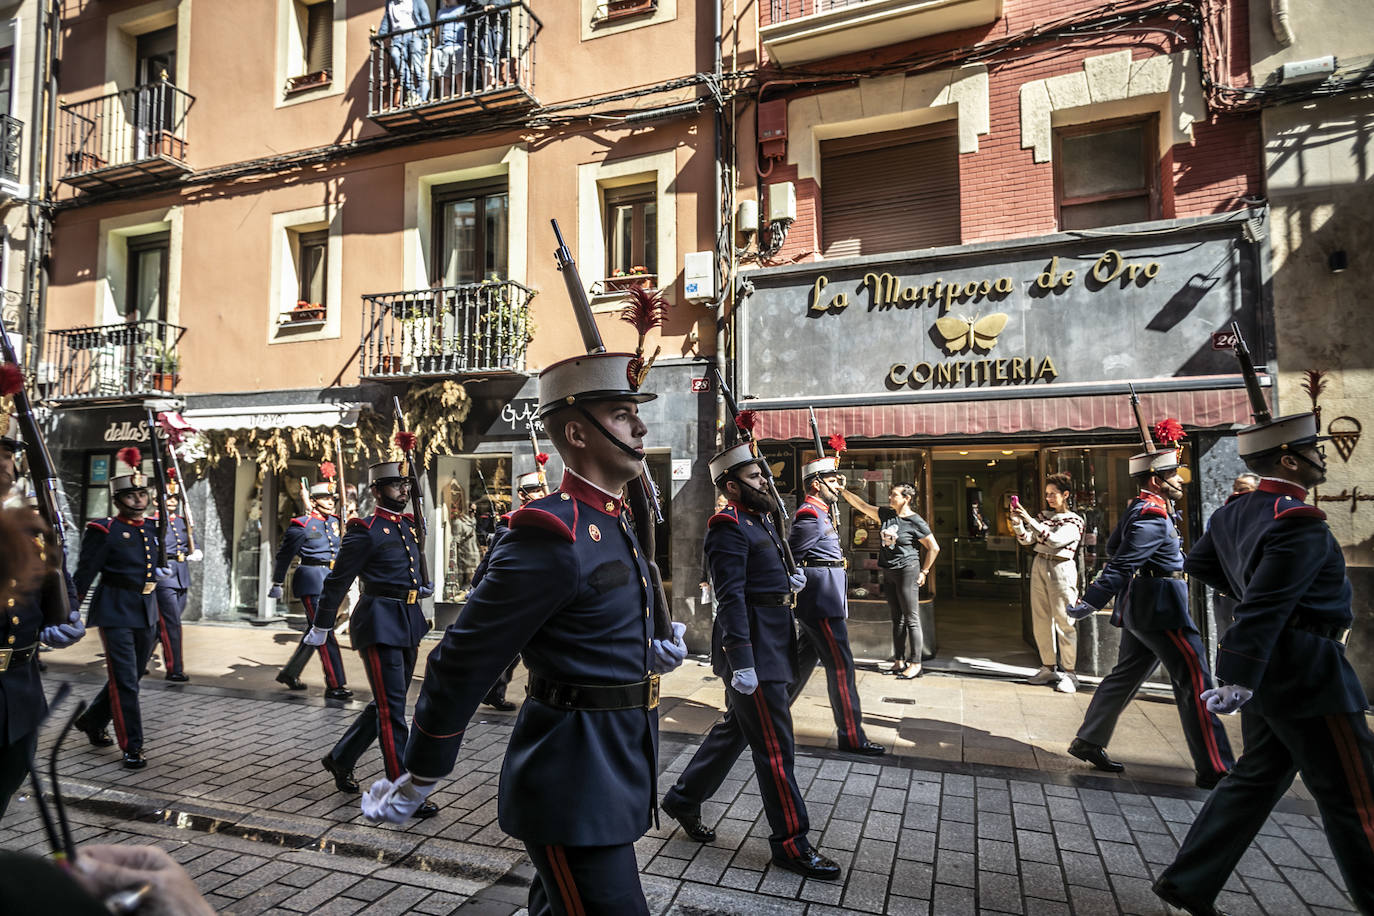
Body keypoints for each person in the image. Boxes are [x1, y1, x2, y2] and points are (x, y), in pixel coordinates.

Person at [360, 350, 688, 915]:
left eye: (636, 411)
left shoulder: (614, 522)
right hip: (572, 780)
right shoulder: (549, 535)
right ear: (576, 435)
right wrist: (422, 771)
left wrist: (645, 654)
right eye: (620, 413)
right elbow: (462, 658)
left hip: (615, 763)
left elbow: (585, 628)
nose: (640, 425)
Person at [1153, 411, 1374, 916]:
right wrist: (1238, 671)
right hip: (1309, 671)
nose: (1322, 458)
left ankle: (1189, 881)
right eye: (1314, 451)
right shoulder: (1298, 522)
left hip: (1272, 670)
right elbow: (1265, 605)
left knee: (1256, 778)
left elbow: (1204, 565)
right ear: (1291, 460)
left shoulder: (1235, 513)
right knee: (1356, 795)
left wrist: (1245, 664)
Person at [661, 443, 842, 881]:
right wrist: (741, 660)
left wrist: (789, 578)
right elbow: (732, 597)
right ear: (731, 486)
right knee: (776, 748)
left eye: (764, 476)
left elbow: (765, 575)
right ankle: (791, 843)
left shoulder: (761, 519)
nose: (767, 482)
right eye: (757, 478)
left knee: (736, 732)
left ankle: (684, 798)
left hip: (774, 640)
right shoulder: (727, 526)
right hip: (754, 651)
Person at [1064, 434, 1234, 789]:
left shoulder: (1140, 509)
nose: (1180, 481)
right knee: (1196, 682)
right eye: (1175, 475)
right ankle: (1216, 767)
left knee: (1124, 675)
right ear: (1157, 479)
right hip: (1161, 608)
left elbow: (1113, 547)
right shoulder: (1152, 516)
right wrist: (1091, 600)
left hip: (1143, 606)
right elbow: (1122, 561)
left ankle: (1089, 740)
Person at [309, 458, 432, 806]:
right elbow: (338, 580)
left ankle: (341, 758)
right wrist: (322, 623)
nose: (404, 490)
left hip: (407, 620)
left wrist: (421, 584)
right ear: (377, 490)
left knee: (385, 703)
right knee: (393, 712)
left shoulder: (408, 525)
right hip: (379, 623)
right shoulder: (364, 529)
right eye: (396, 485)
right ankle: (404, 792)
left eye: (406, 484)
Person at [0, 420, 83, 819]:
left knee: (11, 775)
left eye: (8, 458)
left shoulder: (33, 530)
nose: (3, 466)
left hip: (21, 687)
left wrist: (63, 620)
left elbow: (58, 584)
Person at [73, 449, 165, 770]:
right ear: (118, 500)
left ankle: (92, 720)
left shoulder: (155, 527)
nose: (139, 500)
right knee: (125, 680)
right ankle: (133, 746)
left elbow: (158, 562)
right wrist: (72, 610)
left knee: (131, 675)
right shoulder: (104, 530)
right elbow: (84, 573)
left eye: (143, 494)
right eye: (132, 495)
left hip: (146, 608)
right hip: (114, 608)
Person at [788, 456, 884, 756]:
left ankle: (761, 716)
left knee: (799, 668)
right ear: (816, 484)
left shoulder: (823, 512)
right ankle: (852, 736)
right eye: (832, 481)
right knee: (842, 669)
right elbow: (790, 559)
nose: (838, 485)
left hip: (824, 600)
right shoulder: (810, 515)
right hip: (821, 602)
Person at [840, 482, 938, 678]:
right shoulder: (887, 514)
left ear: (907, 499)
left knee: (911, 618)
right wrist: (842, 490)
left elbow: (933, 547)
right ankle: (899, 660)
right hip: (890, 571)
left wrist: (924, 572)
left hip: (907, 571)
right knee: (897, 618)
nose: (891, 498)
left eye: (895, 495)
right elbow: (862, 506)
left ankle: (916, 663)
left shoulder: (915, 521)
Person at [271, 480, 350, 699]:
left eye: (332, 498)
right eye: (325, 498)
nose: (330, 502)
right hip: (311, 581)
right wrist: (277, 582)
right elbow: (284, 555)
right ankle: (336, 684)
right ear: (313, 501)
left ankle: (290, 673)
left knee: (315, 630)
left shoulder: (336, 522)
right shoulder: (301, 524)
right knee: (325, 631)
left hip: (331, 581)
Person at [478, 468, 549, 712]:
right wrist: (478, 585)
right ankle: (495, 691)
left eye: (541, 489)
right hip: (515, 595)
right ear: (522, 494)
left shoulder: (549, 517)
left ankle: (494, 691)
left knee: (520, 650)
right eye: (534, 491)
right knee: (514, 650)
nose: (540, 494)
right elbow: (492, 559)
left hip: (540, 595)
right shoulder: (510, 522)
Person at [1011, 473, 1086, 693]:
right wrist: (1018, 524)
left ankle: (1070, 673)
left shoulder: (1075, 520)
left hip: (1062, 567)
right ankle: (1048, 666)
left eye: (1053, 494)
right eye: (1047, 494)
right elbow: (1027, 540)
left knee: (1064, 620)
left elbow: (1054, 540)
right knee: (1041, 618)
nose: (1049, 498)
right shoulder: (1044, 516)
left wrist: (1028, 519)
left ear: (1066, 495)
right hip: (1040, 564)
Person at [151, 475, 193, 683]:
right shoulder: (153, 522)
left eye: (175, 498)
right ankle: (174, 668)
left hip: (182, 574)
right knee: (172, 624)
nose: (172, 502)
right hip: (164, 576)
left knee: (162, 626)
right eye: (168, 498)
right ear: (156, 500)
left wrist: (195, 550)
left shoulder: (182, 521)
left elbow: (189, 542)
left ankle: (138, 661)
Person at [378, 0, 431, 106]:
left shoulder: (417, 1)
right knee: (395, 56)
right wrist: (379, 36)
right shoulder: (390, 3)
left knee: (417, 68)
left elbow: (427, 21)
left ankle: (422, 97)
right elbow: (386, 21)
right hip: (397, 38)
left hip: (414, 36)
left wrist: (418, 33)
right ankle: (411, 91)